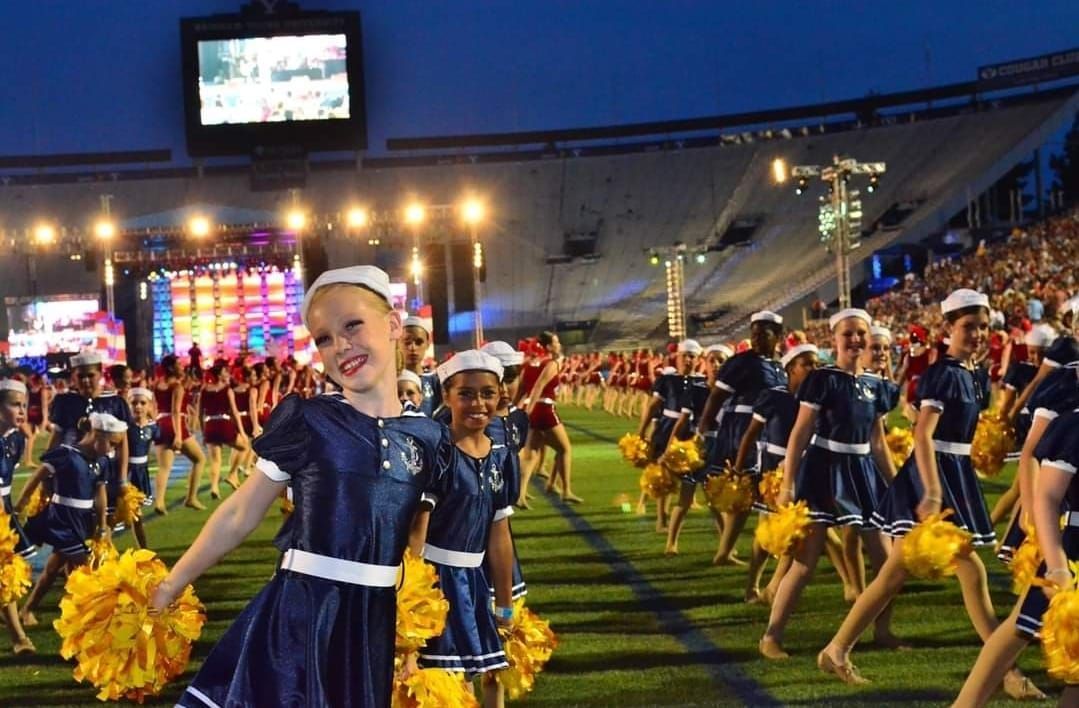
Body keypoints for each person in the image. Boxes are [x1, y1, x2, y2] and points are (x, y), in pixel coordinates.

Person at [151, 266, 454, 707]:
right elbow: (240, 513)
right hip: (298, 618)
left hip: (371, 626)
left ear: (392, 325)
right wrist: (169, 586)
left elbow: (414, 540)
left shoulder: (429, 438)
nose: (340, 346)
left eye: (352, 326)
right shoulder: (309, 421)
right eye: (324, 339)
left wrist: (412, 631)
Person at [818, 291, 1041, 698]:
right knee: (970, 572)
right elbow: (923, 433)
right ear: (947, 329)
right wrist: (933, 490)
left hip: (952, 473)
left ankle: (836, 649)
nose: (977, 334)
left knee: (892, 576)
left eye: (983, 326)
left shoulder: (972, 373)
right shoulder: (941, 372)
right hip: (931, 478)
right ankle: (1005, 671)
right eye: (968, 326)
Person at [759, 308, 898, 660]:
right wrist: (788, 485)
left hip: (863, 471)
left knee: (887, 562)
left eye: (860, 334)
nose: (855, 340)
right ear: (834, 340)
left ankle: (882, 631)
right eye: (847, 334)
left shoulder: (875, 385)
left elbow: (878, 441)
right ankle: (771, 636)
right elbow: (799, 434)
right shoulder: (822, 379)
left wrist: (896, 485)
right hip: (823, 469)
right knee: (805, 562)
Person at [953, 398, 1079, 707]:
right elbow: (1047, 498)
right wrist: (1057, 566)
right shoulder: (1074, 426)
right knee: (1025, 630)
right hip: (1076, 552)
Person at [412, 350, 515, 707]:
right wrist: (410, 600)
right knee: (449, 687)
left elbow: (499, 534)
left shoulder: (501, 455)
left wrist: (504, 603)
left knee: (491, 676)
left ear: (499, 395)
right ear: (446, 396)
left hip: (476, 581)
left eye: (487, 393)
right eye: (466, 393)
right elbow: (416, 532)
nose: (478, 403)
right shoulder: (437, 452)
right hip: (437, 584)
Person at [693, 311, 787, 565]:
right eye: (753, 334)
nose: (756, 340)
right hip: (742, 430)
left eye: (762, 334)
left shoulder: (779, 365)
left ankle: (729, 550)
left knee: (756, 493)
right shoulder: (742, 362)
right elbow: (716, 397)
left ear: (778, 336)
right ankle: (730, 550)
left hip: (768, 432)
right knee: (746, 491)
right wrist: (703, 430)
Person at [17, 412, 126, 629]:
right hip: (60, 518)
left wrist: (102, 525)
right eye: (113, 445)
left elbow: (100, 493)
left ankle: (27, 609)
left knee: (53, 568)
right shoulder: (65, 454)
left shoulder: (101, 461)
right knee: (85, 566)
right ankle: (91, 617)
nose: (114, 451)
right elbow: (38, 476)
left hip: (82, 520)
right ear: (98, 436)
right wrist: (22, 502)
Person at [637, 339, 702, 532]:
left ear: (698, 359)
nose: (688, 360)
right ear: (677, 357)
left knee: (687, 476)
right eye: (684, 356)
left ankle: (679, 514)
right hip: (666, 430)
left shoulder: (701, 382)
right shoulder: (667, 379)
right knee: (663, 477)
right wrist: (642, 430)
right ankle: (661, 521)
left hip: (690, 432)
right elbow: (653, 406)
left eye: (692, 357)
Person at [520, 331, 580, 504]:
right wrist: (528, 411)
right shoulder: (551, 363)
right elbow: (539, 386)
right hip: (544, 409)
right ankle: (566, 490)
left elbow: (522, 390)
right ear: (547, 347)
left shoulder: (528, 365)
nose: (559, 344)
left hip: (532, 408)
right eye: (556, 342)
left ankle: (522, 494)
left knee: (531, 454)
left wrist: (519, 410)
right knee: (565, 449)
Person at [0, 379, 35, 655]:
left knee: (8, 572)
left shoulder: (17, 439)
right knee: (6, 572)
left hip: (4, 509)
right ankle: (18, 637)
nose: (21, 411)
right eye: (15, 405)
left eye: (24, 405)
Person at [152, 354, 207, 513]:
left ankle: (159, 502)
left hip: (161, 424)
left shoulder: (158, 385)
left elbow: (157, 407)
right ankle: (191, 498)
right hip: (174, 425)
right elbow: (175, 411)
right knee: (200, 459)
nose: (182, 367)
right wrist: (177, 435)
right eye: (179, 364)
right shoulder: (177, 386)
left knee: (164, 467)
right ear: (171, 368)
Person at [199, 362, 250, 499]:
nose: (227, 373)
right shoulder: (227, 390)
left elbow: (200, 413)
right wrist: (243, 432)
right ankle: (232, 474)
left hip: (210, 425)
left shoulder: (204, 390)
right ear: (220, 374)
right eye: (225, 371)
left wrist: (204, 433)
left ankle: (214, 487)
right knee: (244, 447)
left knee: (215, 460)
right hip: (224, 424)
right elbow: (234, 412)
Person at [125, 387, 157, 549]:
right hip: (127, 473)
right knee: (131, 514)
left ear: (149, 406)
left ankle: (143, 550)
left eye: (142, 403)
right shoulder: (125, 428)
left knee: (136, 515)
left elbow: (163, 442)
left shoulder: (152, 428)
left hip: (141, 474)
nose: (138, 407)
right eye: (134, 403)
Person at [400, 316, 442, 417]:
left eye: (419, 342)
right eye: (407, 342)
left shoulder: (436, 381)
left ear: (427, 344)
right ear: (398, 344)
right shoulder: (390, 381)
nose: (413, 348)